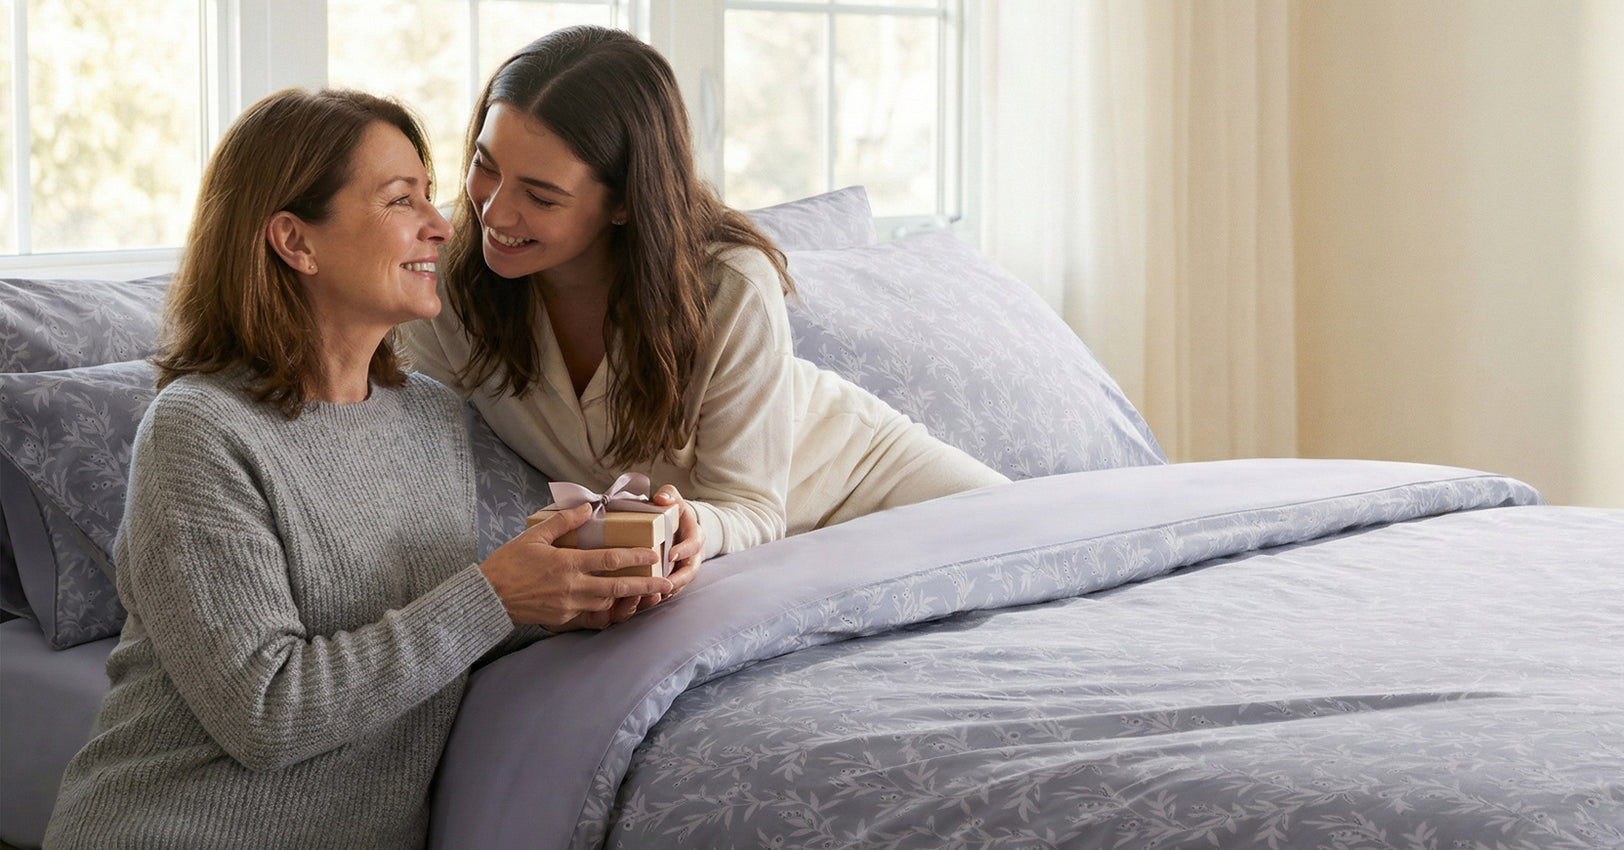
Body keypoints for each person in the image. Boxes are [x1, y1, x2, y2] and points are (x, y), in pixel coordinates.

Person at [41, 89, 679, 849]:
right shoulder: (200, 432)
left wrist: (572, 597)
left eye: (429, 197)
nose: (443, 226)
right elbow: (267, 714)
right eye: (400, 200)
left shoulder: (431, 415)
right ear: (295, 242)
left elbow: (421, 637)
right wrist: (496, 598)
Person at [401, 26, 1007, 600]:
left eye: (540, 195)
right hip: (738, 566)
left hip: (859, 480)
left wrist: (692, 525)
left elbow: (752, 506)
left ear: (623, 202)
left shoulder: (729, 283)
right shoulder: (446, 274)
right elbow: (409, 435)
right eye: (486, 165)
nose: (494, 213)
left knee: (1041, 545)